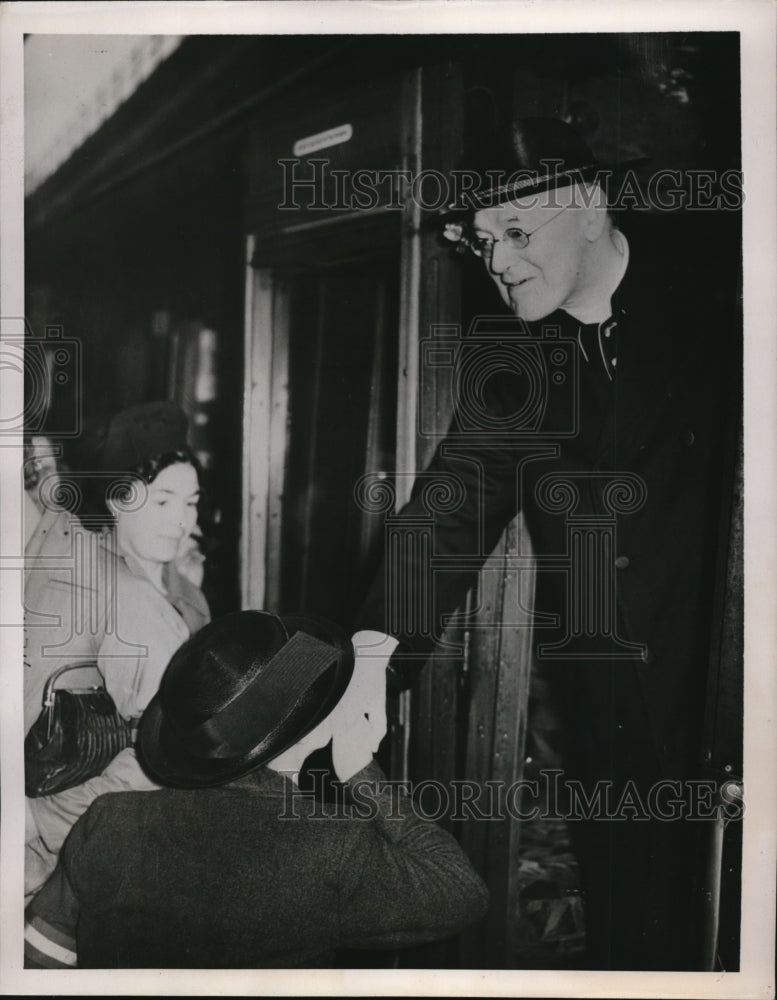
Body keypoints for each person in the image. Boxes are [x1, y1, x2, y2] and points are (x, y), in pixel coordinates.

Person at [351, 118, 740, 970]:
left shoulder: (733, 293)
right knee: (640, 947)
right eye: (479, 240)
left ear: (594, 206)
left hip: (737, 709)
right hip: (614, 730)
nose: (498, 261)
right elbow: (444, 517)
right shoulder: (514, 364)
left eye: (517, 231)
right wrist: (364, 679)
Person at [24, 609, 489, 969]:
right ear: (313, 732)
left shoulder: (110, 821)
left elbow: (40, 958)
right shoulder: (332, 843)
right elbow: (462, 891)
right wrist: (362, 772)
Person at [25, 401, 210, 898]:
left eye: (190, 502)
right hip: (76, 838)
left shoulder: (184, 590)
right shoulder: (96, 577)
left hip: (115, 838)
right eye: (164, 501)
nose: (181, 520)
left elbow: (169, 754)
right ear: (117, 500)